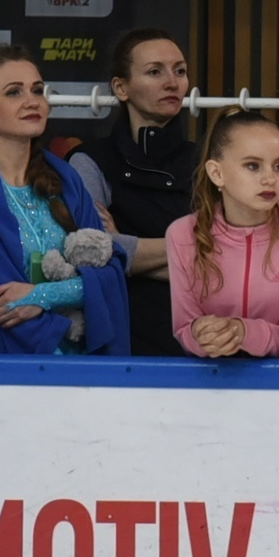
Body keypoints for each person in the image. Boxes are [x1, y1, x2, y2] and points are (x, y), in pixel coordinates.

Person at [0, 45, 132, 355]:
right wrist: (72, 299)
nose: (32, 101)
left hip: (82, 373)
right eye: (14, 92)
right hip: (0, 376)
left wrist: (43, 296)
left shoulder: (65, 178)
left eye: (37, 90)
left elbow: (111, 271)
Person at [164, 109, 279, 358]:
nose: (270, 179)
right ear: (216, 173)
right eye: (253, 166)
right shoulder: (181, 235)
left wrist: (243, 332)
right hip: (208, 386)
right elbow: (184, 328)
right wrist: (200, 334)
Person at [73, 28, 197, 355]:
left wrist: (126, 251)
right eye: (155, 72)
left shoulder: (211, 161)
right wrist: (198, 244)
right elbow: (93, 252)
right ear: (121, 87)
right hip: (122, 340)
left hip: (203, 343)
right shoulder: (89, 161)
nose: (172, 82)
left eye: (180, 71)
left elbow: (234, 257)